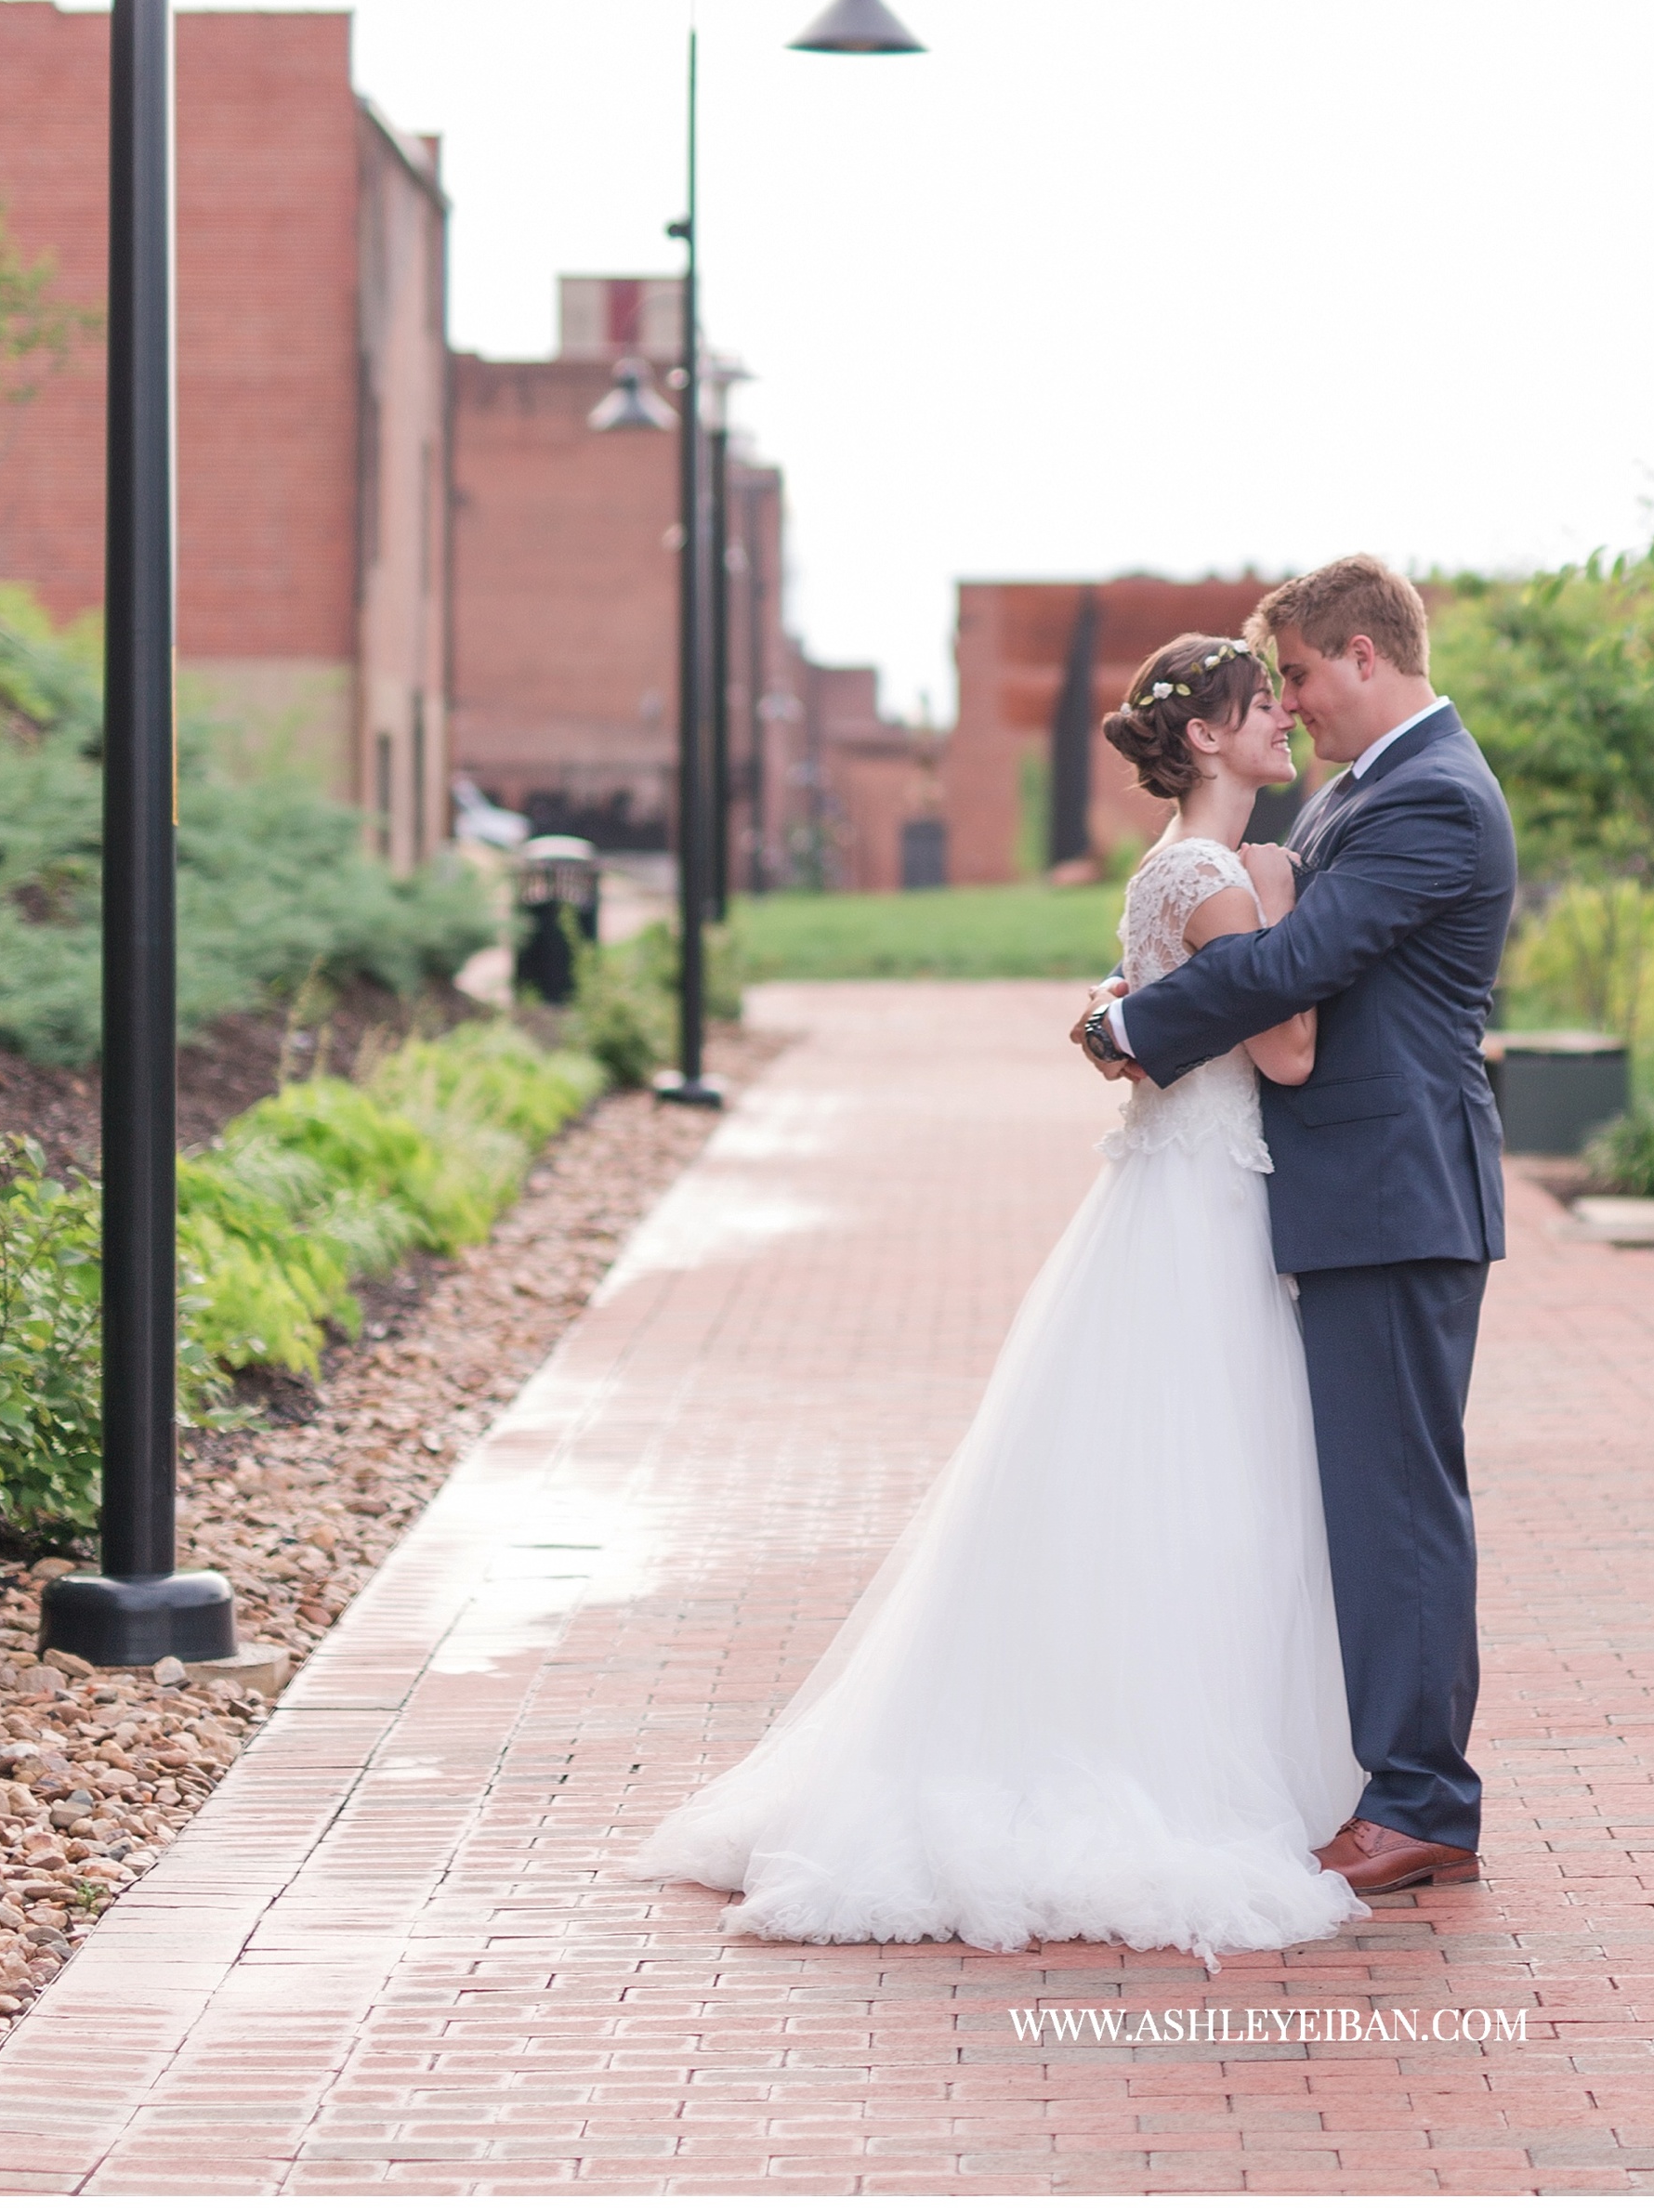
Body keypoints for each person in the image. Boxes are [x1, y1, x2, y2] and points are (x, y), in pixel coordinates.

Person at [636, 630, 1368, 1966]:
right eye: (1261, 706)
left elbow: (1147, 1035)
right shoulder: (1219, 877)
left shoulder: (1166, 872)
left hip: (1168, 1197)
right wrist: (1283, 905)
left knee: (1156, 1487)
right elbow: (1296, 1049)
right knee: (1210, 1495)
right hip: (1203, 1209)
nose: (1282, 721)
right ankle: (1170, 1767)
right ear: (1205, 737)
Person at [1076, 556, 1515, 1892]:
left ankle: (1424, 1799)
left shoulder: (1432, 799)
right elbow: (1256, 939)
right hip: (1349, 1192)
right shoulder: (1367, 792)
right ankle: (1393, 1779)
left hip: (1393, 1195)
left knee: (1395, 1506)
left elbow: (1298, 968)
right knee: (1366, 1500)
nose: (1299, 706)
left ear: (1365, 658)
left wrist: (1131, 1027)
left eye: (1307, 677)